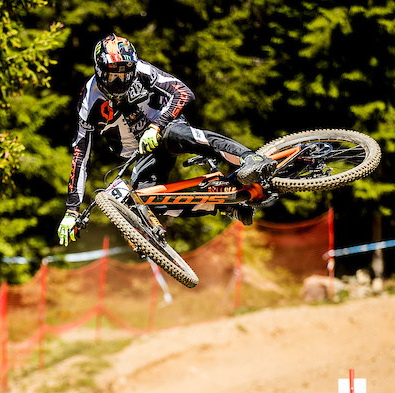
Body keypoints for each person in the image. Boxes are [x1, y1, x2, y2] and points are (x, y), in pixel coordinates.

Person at [58, 33, 277, 246]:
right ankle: (223, 204)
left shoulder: (143, 70)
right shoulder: (88, 102)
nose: (120, 82)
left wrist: (156, 126)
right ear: (99, 71)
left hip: (164, 127)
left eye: (125, 74)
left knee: (176, 134)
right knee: (146, 199)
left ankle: (249, 158)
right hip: (139, 152)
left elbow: (183, 92)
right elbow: (80, 158)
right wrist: (71, 210)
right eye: (113, 76)